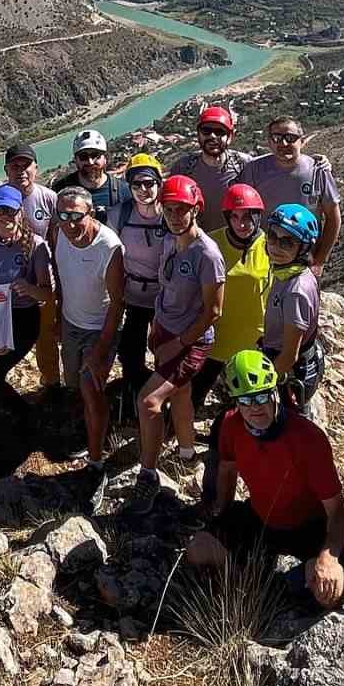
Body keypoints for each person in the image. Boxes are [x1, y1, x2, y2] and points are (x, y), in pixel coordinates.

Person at [185, 350, 344, 612]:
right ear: (236, 402)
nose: (256, 407)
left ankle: (273, 582)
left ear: (275, 392)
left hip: (309, 526)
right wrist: (222, 513)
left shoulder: (308, 438)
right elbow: (227, 471)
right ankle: (256, 583)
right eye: (246, 400)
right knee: (198, 550)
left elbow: (338, 510)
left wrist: (328, 557)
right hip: (262, 518)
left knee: (329, 592)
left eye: (262, 396)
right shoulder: (231, 425)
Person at [126, 174, 225, 515]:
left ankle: (148, 474)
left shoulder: (207, 254)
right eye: (169, 209)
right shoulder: (170, 241)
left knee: (149, 402)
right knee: (180, 393)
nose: (175, 215)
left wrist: (177, 343)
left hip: (192, 341)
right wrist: (157, 326)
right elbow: (166, 290)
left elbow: (213, 311)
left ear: (196, 208)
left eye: (182, 209)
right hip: (166, 332)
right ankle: (186, 453)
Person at [0, 186, 53, 477]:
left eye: (10, 211)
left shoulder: (36, 245)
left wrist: (29, 288)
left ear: (21, 213)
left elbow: (47, 294)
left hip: (23, 319)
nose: (5, 216)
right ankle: (14, 420)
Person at [194, 183, 272, 501]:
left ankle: (228, 481)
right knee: (190, 398)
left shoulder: (272, 246)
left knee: (231, 419)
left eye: (249, 217)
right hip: (213, 340)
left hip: (251, 348)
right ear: (227, 216)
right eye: (236, 217)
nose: (242, 223)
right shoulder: (209, 242)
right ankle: (178, 447)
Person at [52, 186, 125, 507]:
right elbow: (60, 276)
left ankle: (96, 464)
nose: (69, 223)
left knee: (90, 388)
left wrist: (99, 351)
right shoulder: (59, 233)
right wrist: (58, 316)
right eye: (63, 215)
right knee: (74, 384)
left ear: (91, 213)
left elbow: (117, 304)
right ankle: (92, 428)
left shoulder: (109, 247)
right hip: (70, 324)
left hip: (99, 329)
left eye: (76, 216)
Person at [0, 144, 60, 395]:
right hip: (2, 290)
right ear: (6, 169)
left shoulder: (48, 198)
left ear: (36, 168)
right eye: (15, 165)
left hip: (42, 279)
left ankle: (52, 384)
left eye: (26, 165)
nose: (21, 170)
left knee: (46, 339)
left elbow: (57, 239)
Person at [110, 153, 168, 420]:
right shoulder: (119, 215)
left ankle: (161, 397)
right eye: (137, 185)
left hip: (165, 299)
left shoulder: (171, 215)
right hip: (132, 297)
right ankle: (134, 393)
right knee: (130, 353)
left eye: (149, 183)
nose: (144, 190)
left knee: (164, 352)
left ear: (159, 183)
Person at [243, 118, 341, 275]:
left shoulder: (318, 171)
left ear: (302, 141)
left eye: (290, 138)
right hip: (262, 261)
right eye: (276, 138)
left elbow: (333, 218)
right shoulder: (254, 169)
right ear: (269, 142)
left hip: (303, 264)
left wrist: (319, 261)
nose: (283, 143)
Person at [262, 204, 325, 405]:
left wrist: (263, 385)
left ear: (303, 248)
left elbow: (289, 354)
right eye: (272, 237)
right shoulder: (288, 273)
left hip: (288, 371)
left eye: (287, 242)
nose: (276, 246)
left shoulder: (296, 290)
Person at [170, 104, 250, 218]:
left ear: (230, 137)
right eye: (206, 130)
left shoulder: (245, 165)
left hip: (235, 234)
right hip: (197, 234)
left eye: (219, 132)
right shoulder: (183, 168)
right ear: (198, 134)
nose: (212, 136)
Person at [50, 129, 131, 227]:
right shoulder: (59, 191)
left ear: (105, 158)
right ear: (76, 160)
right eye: (83, 156)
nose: (90, 162)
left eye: (95, 155)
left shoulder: (123, 191)